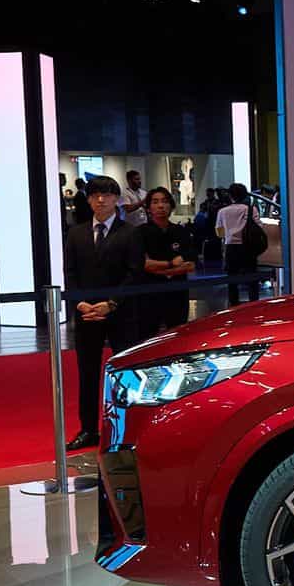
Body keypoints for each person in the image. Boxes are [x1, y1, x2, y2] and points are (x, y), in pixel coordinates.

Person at [61, 174, 144, 451]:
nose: (100, 200)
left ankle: (126, 429)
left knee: (124, 373)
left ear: (116, 199)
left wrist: (112, 303)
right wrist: (79, 303)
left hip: (121, 313)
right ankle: (88, 429)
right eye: (95, 195)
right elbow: (70, 272)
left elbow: (135, 273)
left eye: (107, 195)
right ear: (88, 200)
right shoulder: (76, 233)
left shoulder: (130, 232)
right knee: (87, 373)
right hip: (86, 313)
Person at [138, 186, 197, 335]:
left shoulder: (181, 232)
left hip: (178, 293)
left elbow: (190, 265)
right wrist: (171, 264)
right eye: (155, 202)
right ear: (148, 208)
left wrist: (161, 270)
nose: (160, 206)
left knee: (178, 334)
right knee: (148, 335)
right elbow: (144, 265)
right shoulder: (140, 232)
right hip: (150, 293)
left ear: (171, 205)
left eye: (164, 201)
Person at [214, 183, 262, 305]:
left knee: (232, 280)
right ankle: (254, 304)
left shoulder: (222, 211)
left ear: (230, 196)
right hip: (248, 247)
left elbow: (219, 232)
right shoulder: (251, 209)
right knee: (252, 279)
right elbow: (259, 226)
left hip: (231, 247)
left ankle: (234, 304)